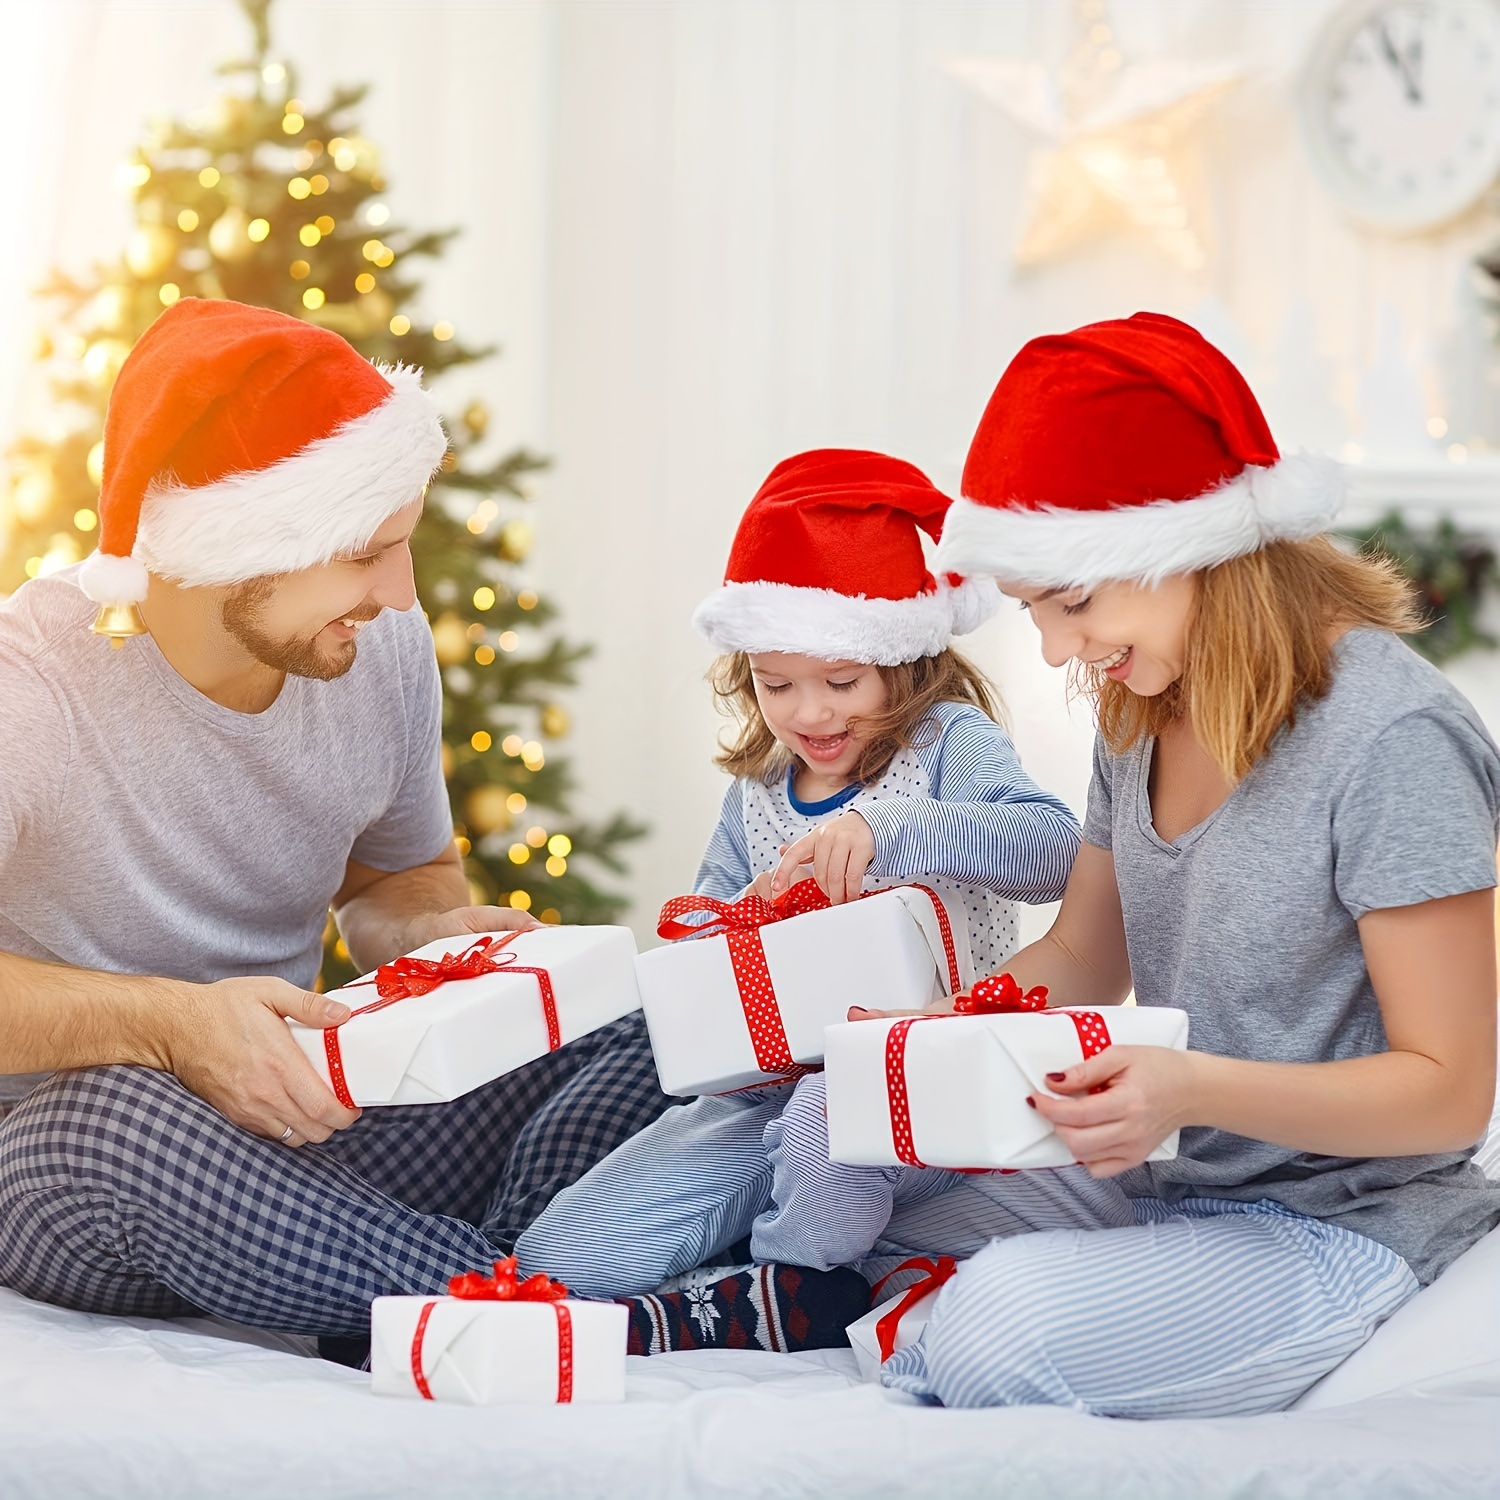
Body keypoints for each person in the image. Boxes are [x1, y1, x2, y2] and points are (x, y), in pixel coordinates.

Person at [772, 311, 1500, 1417]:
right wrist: (929, 1042)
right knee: (836, 1155)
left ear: (1187, 548)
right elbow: (1082, 953)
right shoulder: (1142, 706)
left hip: (1343, 1224)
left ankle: (946, 1325)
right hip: (1167, 1178)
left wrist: (1191, 1090)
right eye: (1037, 612)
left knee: (994, 1327)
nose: (1062, 651)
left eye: (1074, 604)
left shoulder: (1391, 739)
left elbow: (1449, 1096)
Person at [0, 299, 671, 1348]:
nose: (399, 596)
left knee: (647, 1019)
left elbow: (397, 881)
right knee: (114, 1125)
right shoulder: (29, 686)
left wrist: (429, 936)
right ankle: (571, 1315)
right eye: (366, 552)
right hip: (78, 1160)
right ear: (240, 544)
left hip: (304, 1115)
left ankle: (432, 1272)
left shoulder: (375, 655)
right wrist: (172, 1027)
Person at [515, 448, 1081, 1352]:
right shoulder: (762, 790)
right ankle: (788, 1262)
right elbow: (709, 912)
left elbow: (1053, 849)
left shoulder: (944, 744)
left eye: (841, 683)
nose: (810, 714)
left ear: (906, 659)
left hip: (912, 1071)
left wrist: (893, 833)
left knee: (832, 1124)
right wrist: (727, 933)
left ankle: (782, 1288)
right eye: (777, 685)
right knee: (565, 1258)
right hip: (761, 1093)